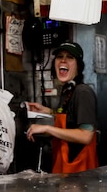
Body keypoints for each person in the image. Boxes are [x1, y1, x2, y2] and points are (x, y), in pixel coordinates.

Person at [26, 41, 99, 173]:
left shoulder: (82, 92)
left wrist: (47, 127)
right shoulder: (68, 90)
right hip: (65, 169)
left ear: (78, 66)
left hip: (80, 170)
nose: (63, 60)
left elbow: (86, 135)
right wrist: (46, 111)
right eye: (60, 56)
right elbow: (69, 117)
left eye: (70, 57)